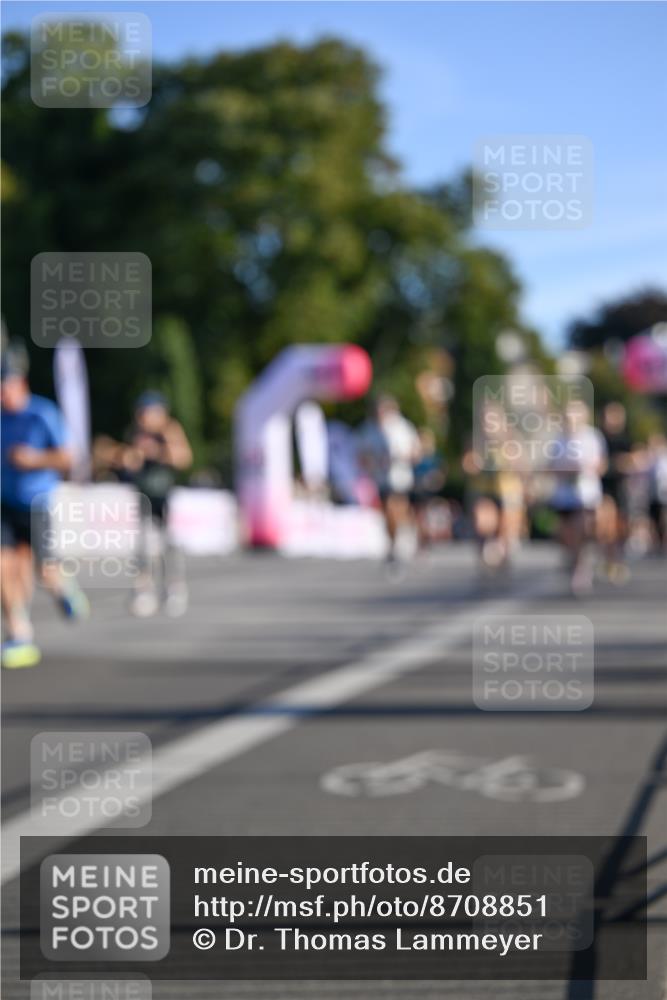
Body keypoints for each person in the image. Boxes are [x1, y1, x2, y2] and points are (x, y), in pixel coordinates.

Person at [1, 341, 88, 668]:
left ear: (19, 383)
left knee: (44, 571)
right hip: (4, 505)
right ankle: (19, 634)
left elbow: (70, 457)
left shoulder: (42, 413)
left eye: (4, 388)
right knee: (4, 568)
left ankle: (63, 590)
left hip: (37, 504)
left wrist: (34, 459)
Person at [111, 391, 192, 617]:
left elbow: (184, 457)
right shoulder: (135, 433)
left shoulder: (169, 431)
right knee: (143, 545)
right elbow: (127, 460)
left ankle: (173, 588)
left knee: (169, 545)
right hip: (143, 495)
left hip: (164, 496)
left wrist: (158, 452)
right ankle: (143, 590)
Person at [550, 400, 607, 595]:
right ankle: (576, 562)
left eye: (575, 414)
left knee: (583, 529)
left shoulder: (592, 436)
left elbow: (601, 465)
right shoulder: (558, 439)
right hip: (564, 495)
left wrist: (586, 469)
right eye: (568, 415)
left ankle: (582, 569)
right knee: (568, 536)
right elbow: (550, 465)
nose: (571, 419)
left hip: (586, 493)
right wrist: (563, 470)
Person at [357, 395, 420, 565]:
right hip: (380, 478)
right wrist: (372, 462)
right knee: (386, 514)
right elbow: (361, 455)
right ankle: (393, 544)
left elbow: (416, 451)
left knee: (396, 508)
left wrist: (401, 457)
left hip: (400, 477)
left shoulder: (402, 427)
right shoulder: (368, 429)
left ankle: (405, 536)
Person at [598, 402, 633, 582]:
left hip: (622, 489)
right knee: (607, 526)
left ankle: (617, 559)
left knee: (622, 529)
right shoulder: (599, 438)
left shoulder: (625, 439)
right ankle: (608, 559)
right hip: (604, 489)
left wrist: (620, 464)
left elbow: (632, 461)